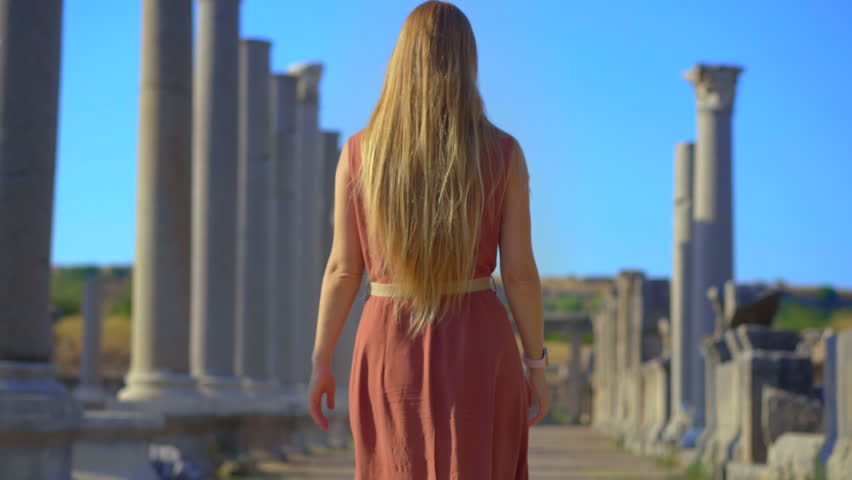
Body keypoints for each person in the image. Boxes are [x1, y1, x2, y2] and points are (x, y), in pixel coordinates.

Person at [308, 2, 550, 478]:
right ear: (468, 62)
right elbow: (520, 273)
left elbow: (342, 269)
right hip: (478, 340)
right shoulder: (504, 152)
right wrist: (536, 366)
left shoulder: (359, 153)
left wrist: (321, 362)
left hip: (388, 338)